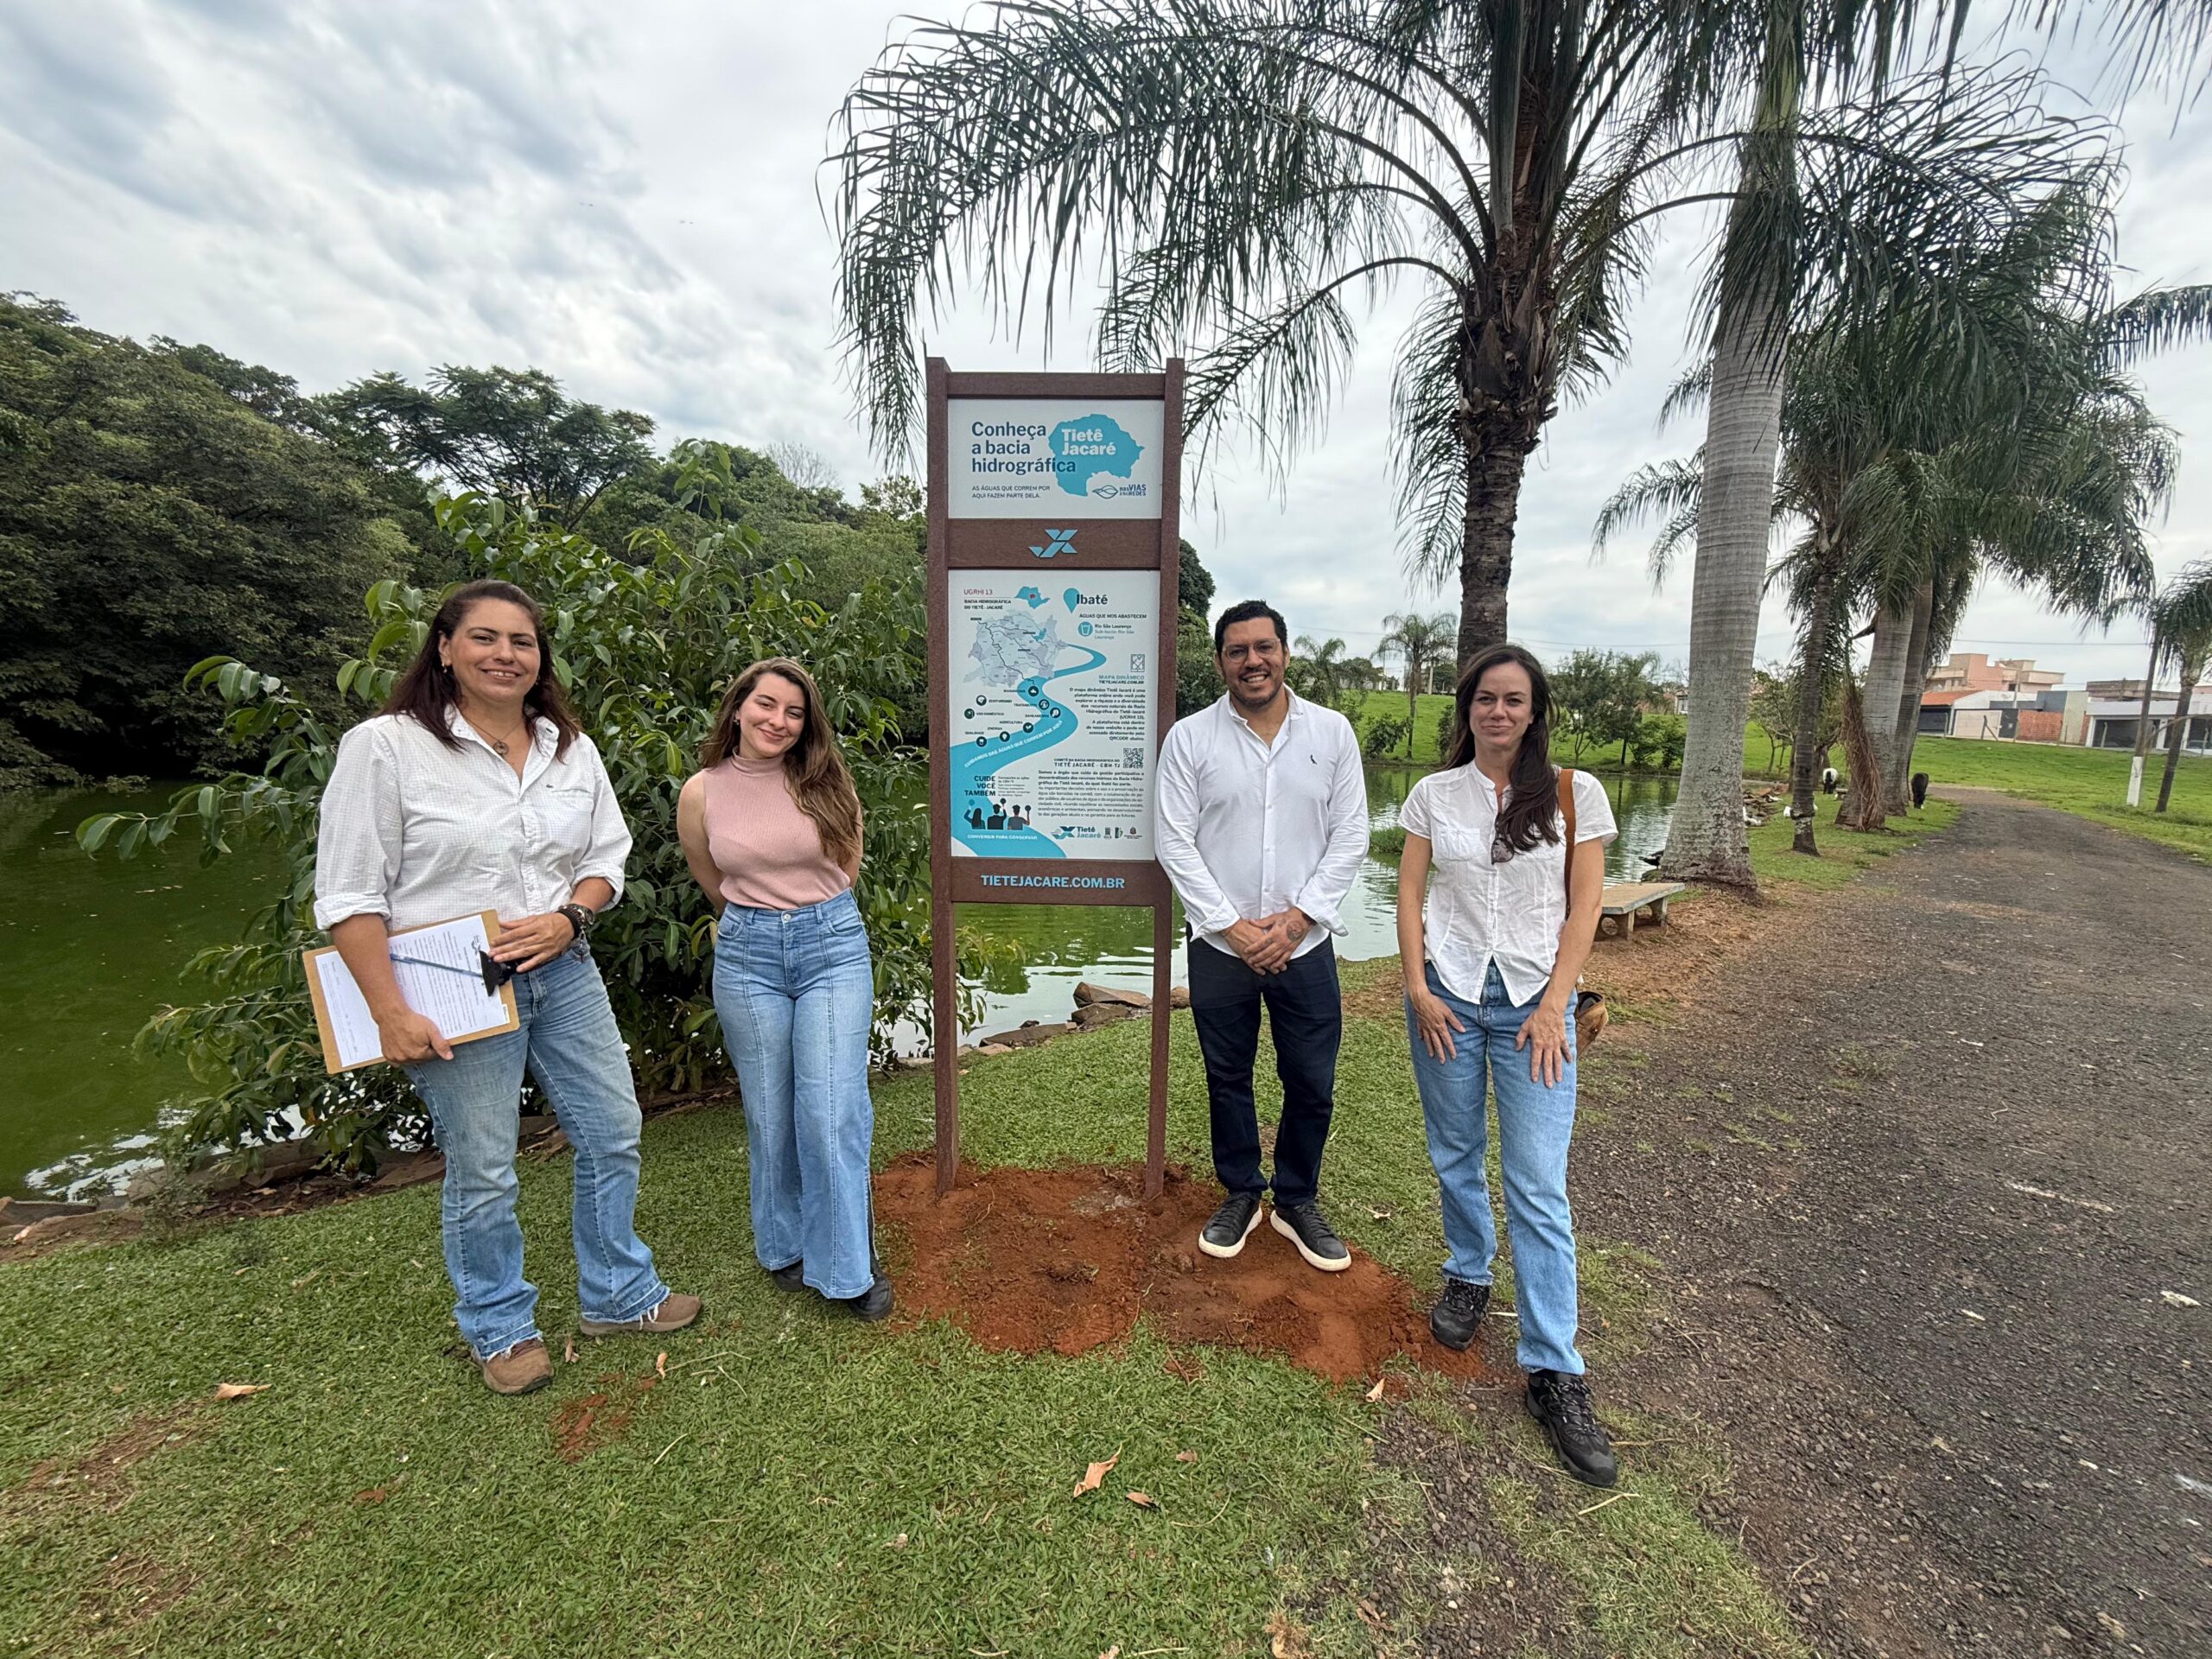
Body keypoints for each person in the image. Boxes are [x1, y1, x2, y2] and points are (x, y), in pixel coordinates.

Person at [315, 579, 698, 1397]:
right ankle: (499, 1324)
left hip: (563, 970)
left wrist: (572, 917)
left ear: (540, 657)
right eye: (484, 638)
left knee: (613, 1130)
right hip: (453, 984)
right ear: (445, 647)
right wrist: (390, 1011)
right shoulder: (385, 747)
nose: (505, 655)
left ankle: (618, 1293)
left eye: (521, 642)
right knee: (485, 1164)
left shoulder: (570, 747)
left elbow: (606, 858)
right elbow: (350, 895)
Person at [1394, 644, 1618, 1486]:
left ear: (1533, 711)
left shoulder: (1572, 795)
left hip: (1532, 1011)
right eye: (1484, 699)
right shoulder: (1431, 797)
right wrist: (1416, 988)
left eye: (1512, 700)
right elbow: (1411, 894)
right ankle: (1467, 1273)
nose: (1497, 712)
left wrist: (1559, 1002)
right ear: (1468, 710)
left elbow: (1587, 901)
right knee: (1455, 1151)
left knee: (1536, 1181)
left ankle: (1554, 1371)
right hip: (1448, 999)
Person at [1155, 600, 1368, 1271]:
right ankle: (1243, 1189)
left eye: (1264, 647)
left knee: (1311, 1079)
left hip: (1304, 945)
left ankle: (1297, 1199)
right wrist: (1233, 926)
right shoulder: (1190, 738)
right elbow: (1173, 840)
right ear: (1220, 661)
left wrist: (1298, 918)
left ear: (1285, 652)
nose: (1254, 661)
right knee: (1228, 1077)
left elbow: (1351, 834)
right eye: (1238, 650)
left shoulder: (1331, 734)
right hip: (1222, 948)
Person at [677, 658, 891, 1319]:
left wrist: (801, 912)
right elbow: (711, 877)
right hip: (748, 957)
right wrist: (757, 921)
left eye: (794, 712)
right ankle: (784, 1245)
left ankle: (848, 1264)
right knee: (770, 1114)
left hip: (831, 946)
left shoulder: (827, 781)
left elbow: (846, 866)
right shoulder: (701, 791)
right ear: (738, 707)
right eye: (766, 705)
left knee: (830, 1111)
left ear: (807, 724)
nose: (778, 721)